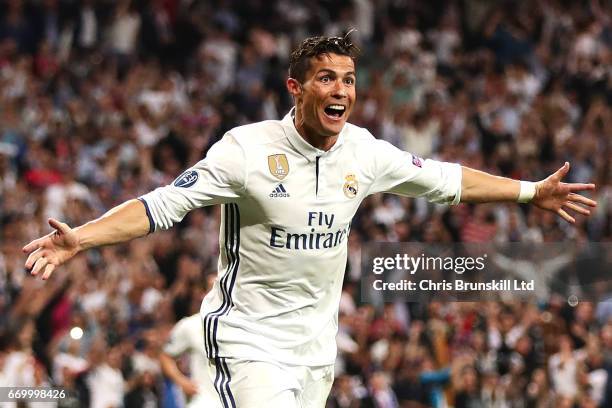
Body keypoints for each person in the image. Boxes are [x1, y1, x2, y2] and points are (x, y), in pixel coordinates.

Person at [23, 35, 597, 408]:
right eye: (326, 78)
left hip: (316, 349)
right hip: (249, 339)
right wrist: (83, 238)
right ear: (296, 88)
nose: (341, 90)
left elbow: (448, 181)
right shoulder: (246, 150)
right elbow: (163, 204)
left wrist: (529, 192)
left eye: (347, 79)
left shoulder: (364, 152)